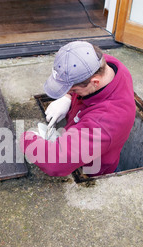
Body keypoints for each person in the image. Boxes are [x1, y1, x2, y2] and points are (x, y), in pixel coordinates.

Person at [20, 41, 136, 177]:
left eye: (74, 89)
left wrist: (26, 139)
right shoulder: (105, 65)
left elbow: (55, 163)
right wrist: (68, 97)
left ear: (95, 82)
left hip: (91, 171)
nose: (71, 92)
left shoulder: (106, 121)